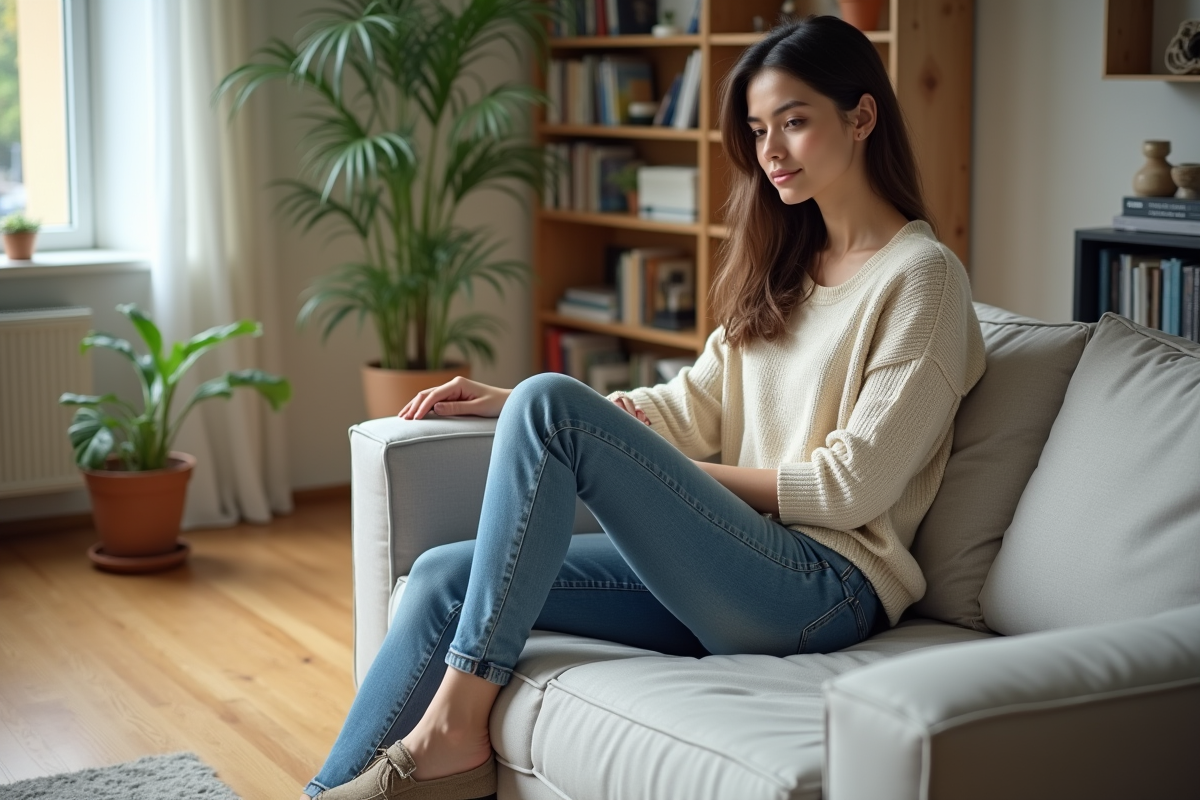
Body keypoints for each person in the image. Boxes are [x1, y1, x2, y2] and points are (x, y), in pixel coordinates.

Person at [303, 14, 985, 800]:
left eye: (795, 122)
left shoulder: (922, 279)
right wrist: (511, 403)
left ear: (861, 117)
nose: (770, 151)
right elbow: (684, 406)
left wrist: (672, 473)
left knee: (551, 403)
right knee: (439, 579)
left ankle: (454, 731)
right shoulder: (786, 268)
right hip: (731, 567)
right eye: (759, 129)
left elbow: (850, 488)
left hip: (822, 591)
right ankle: (324, 794)